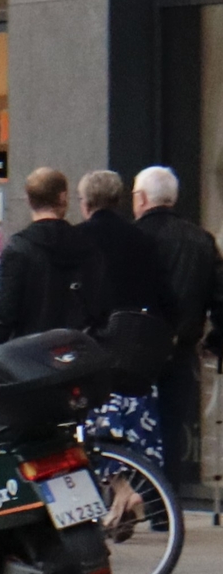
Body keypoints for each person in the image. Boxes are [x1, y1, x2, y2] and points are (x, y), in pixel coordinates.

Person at [72, 168, 177, 461]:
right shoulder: (141, 240)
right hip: (134, 356)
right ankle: (139, 491)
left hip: (91, 353)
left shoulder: (75, 240)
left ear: (86, 203)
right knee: (137, 445)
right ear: (118, 200)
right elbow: (165, 297)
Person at [133, 165, 219, 484]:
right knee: (171, 428)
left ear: (141, 199)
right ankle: (165, 504)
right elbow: (219, 297)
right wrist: (213, 342)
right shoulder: (201, 240)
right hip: (182, 347)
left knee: (133, 425)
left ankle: (135, 494)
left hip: (136, 349)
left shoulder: (134, 237)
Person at [0, 168, 101, 347]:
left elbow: (5, 311)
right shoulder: (87, 243)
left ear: (29, 200)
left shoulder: (19, 248)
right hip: (77, 352)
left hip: (30, 354)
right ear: (63, 197)